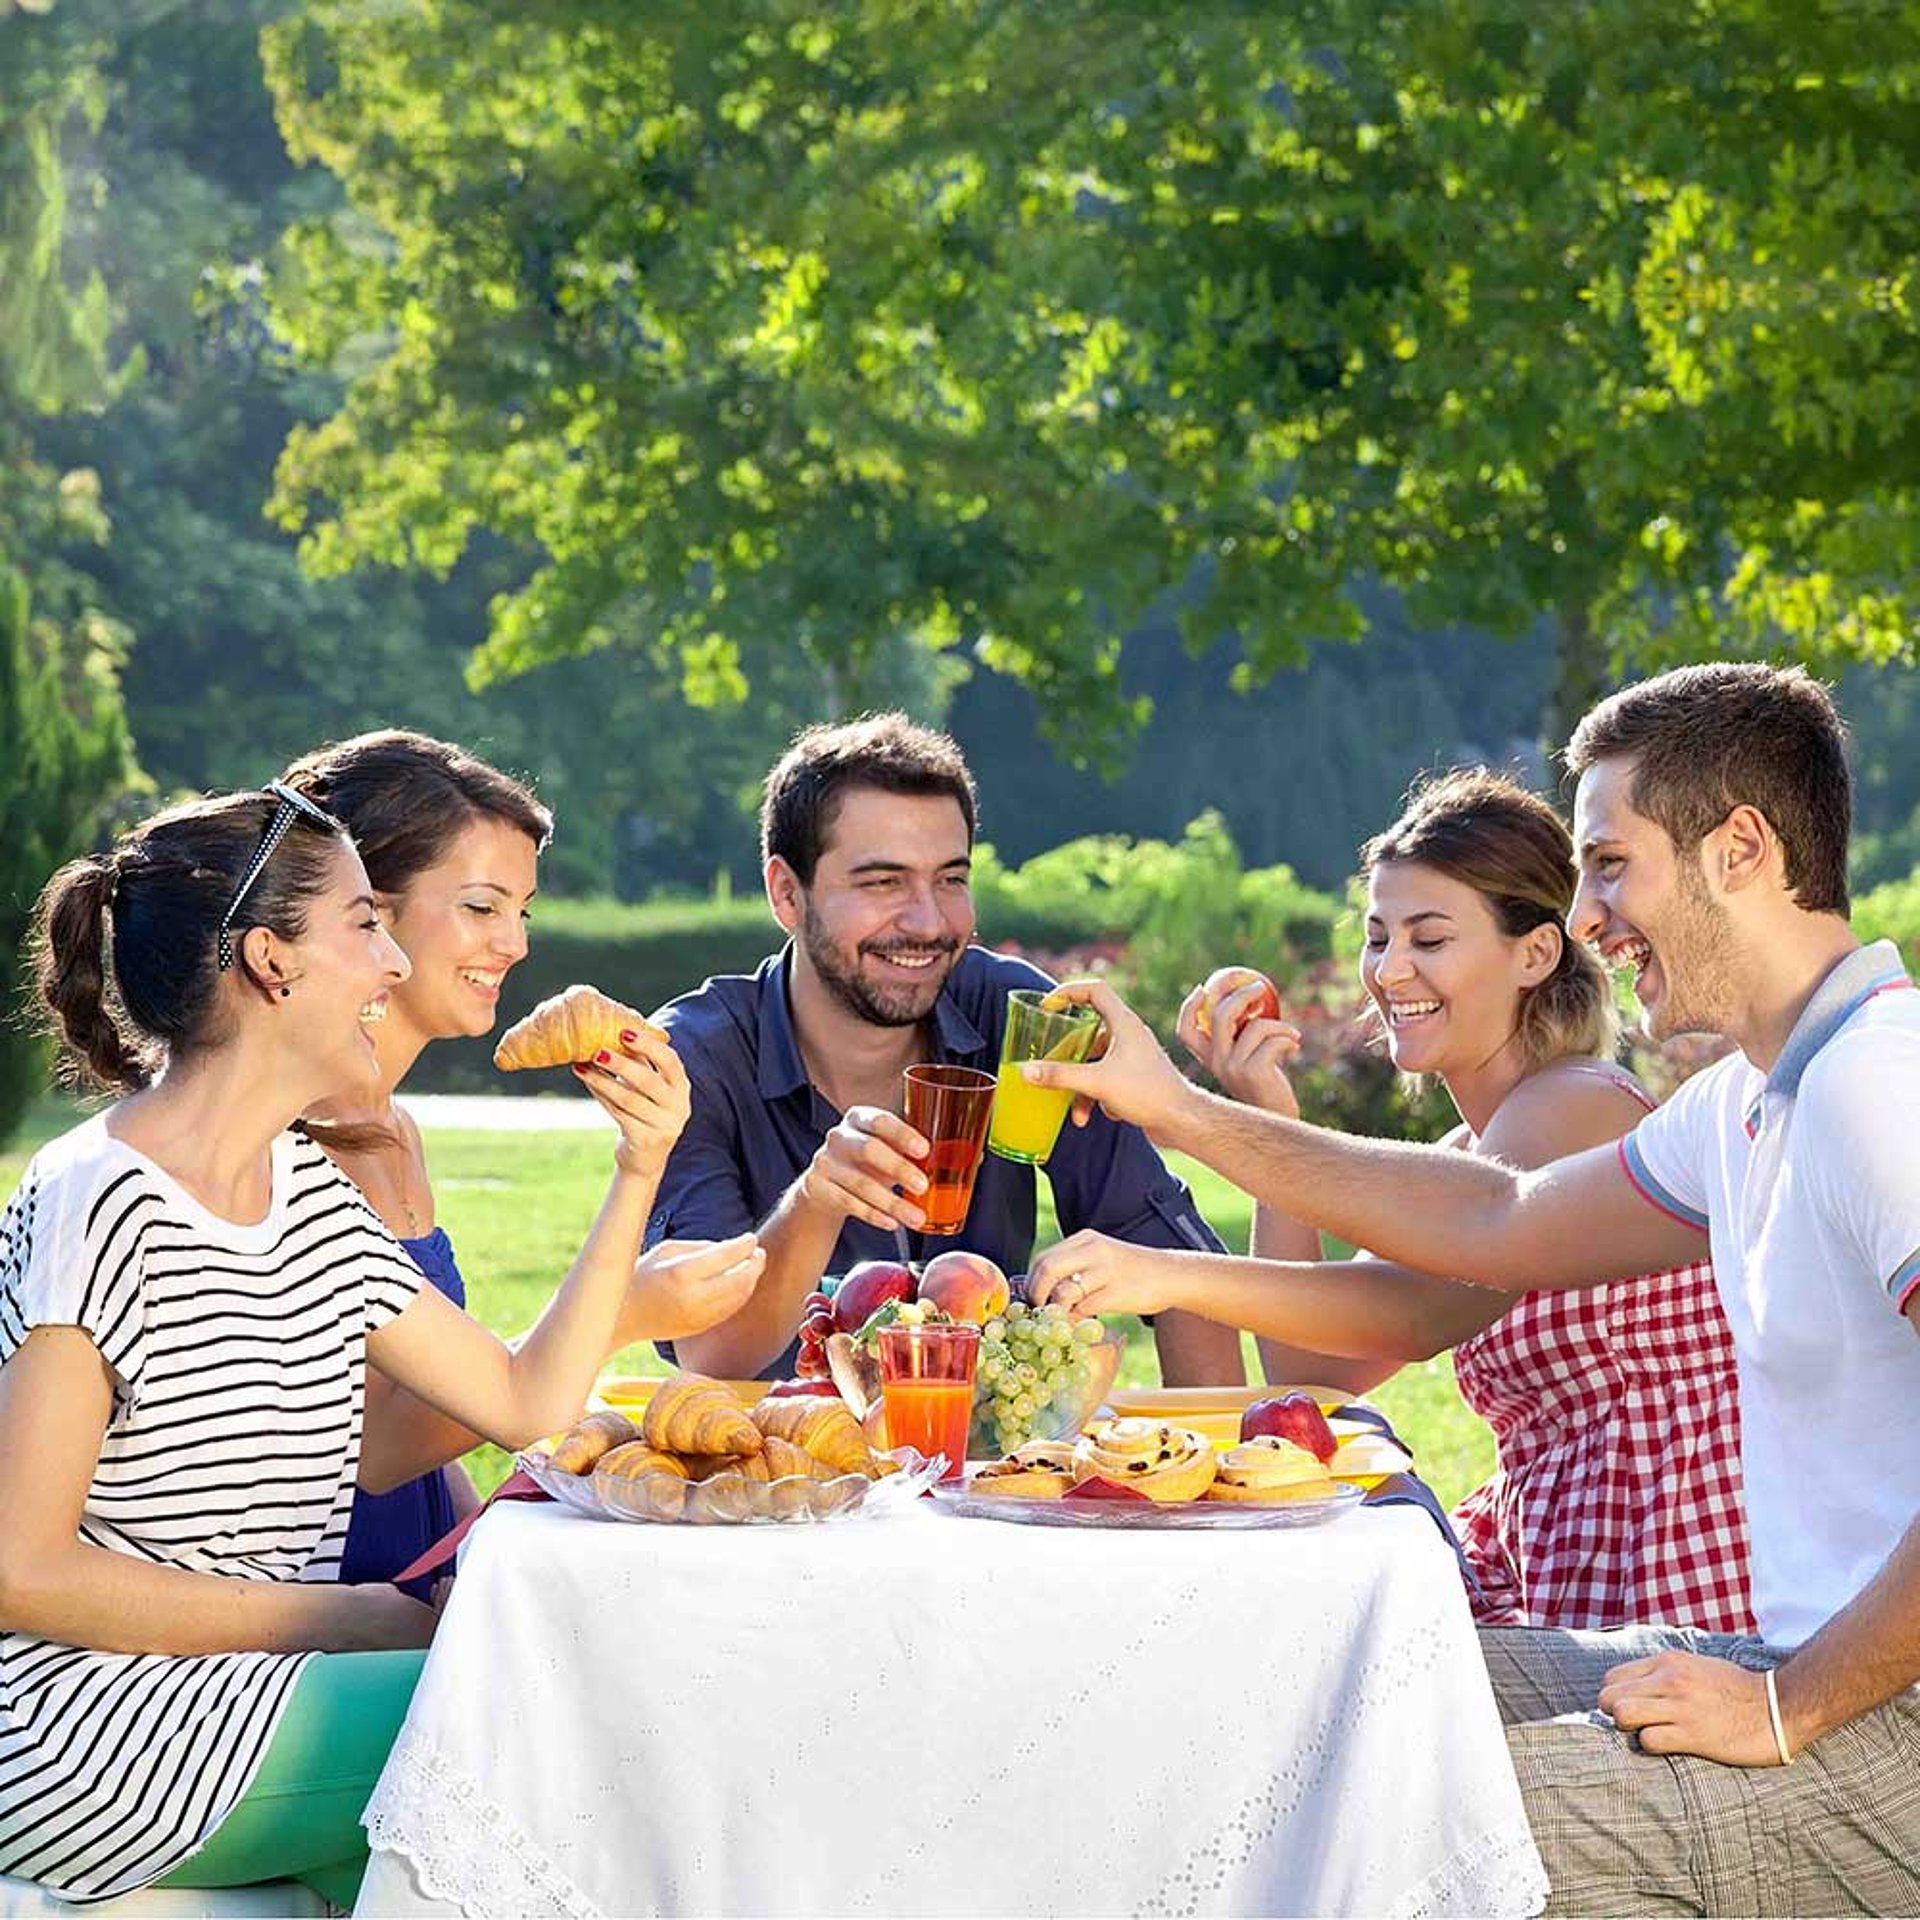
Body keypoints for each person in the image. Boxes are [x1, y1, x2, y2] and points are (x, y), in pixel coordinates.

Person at [1025, 663, 1920, 1915]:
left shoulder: (1881, 1083)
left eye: (1611, 863)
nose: (1595, 912)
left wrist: (1790, 1702)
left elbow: (1433, 1280)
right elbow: (1494, 1220)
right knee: (1325, 1703)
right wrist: (1182, 1110)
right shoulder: (1748, 1102)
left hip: (1878, 1719)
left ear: (1743, 850)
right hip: (1791, 1655)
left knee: (1374, 1830)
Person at [0, 785, 746, 1908]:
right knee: (569, 1734)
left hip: (255, 1701)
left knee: (563, 1730)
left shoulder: (308, 1197)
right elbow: (21, 1570)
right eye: (363, 926)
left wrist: (638, 1169)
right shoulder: (97, 1198)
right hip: (93, 1736)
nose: (394, 967)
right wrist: (349, 1617)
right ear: (271, 961)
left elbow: (522, 1400)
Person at [1033, 768, 1752, 1633]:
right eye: (1378, 937)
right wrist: (1272, 1119)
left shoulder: (1580, 1105)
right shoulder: (1469, 1155)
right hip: (1565, 1556)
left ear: (1535, 952)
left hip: (1673, 1576)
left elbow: (1412, 1315)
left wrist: (1169, 1270)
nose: (1391, 969)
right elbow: (1311, 1376)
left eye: (1429, 937)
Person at [281, 731, 765, 1593]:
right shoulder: (293, 1137)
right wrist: (624, 1311)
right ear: (366, 912)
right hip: (322, 1618)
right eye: (480, 907)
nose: (516, 944)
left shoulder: (392, 1131)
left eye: (523, 911)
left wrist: (475, 1538)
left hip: (415, 1581)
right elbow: (374, 1454)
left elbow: (423, 1443)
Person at [650, 711, 1243, 1386]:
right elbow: (711, 1352)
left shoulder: (1017, 1019)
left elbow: (1184, 1276)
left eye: (951, 879)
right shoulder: (696, 1058)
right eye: (883, 882)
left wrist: (1209, 1469)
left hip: (985, 1473)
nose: (930, 922)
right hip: (776, 1475)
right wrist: (816, 1201)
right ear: (787, 893)